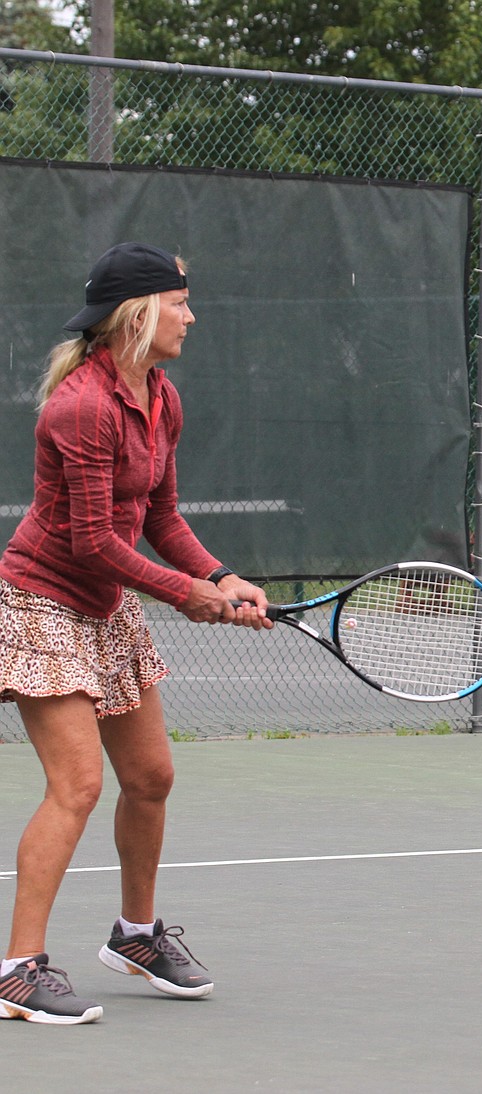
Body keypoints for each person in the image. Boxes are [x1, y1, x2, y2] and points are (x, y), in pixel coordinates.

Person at [0, 242, 273, 1024]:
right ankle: (17, 970)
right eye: (180, 302)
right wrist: (185, 594)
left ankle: (136, 935)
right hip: (43, 602)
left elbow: (160, 517)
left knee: (150, 777)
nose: (191, 314)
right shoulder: (80, 406)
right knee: (78, 785)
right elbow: (89, 543)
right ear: (140, 313)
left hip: (107, 606)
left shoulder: (161, 396)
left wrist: (220, 578)